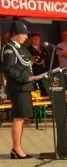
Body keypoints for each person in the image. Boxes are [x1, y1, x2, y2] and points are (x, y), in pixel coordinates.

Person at [2, 20, 48, 158]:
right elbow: (9, 69)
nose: (26, 37)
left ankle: (16, 149)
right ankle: (16, 150)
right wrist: (26, 78)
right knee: (19, 118)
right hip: (18, 87)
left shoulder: (18, 47)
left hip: (24, 87)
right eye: (24, 34)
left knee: (21, 118)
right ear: (15, 34)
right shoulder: (9, 48)